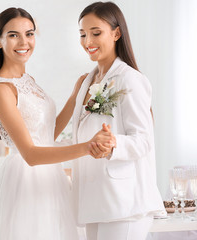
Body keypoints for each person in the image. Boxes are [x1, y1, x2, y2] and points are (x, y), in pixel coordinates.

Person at [0, 7, 115, 240]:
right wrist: (88, 147)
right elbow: (30, 154)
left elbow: (48, 134)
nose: (24, 42)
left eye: (29, 34)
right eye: (13, 35)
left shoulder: (27, 80)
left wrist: (75, 96)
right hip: (25, 179)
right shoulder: (1, 89)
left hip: (50, 178)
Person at [71, 2, 165, 240]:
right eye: (83, 34)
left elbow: (143, 140)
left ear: (116, 33)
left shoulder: (130, 79)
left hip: (124, 204)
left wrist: (114, 144)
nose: (87, 41)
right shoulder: (86, 82)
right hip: (94, 201)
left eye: (96, 33)